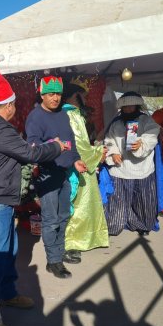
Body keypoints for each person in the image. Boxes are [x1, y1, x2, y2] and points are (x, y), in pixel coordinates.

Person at [0, 60, 65, 309]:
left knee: (8, 250)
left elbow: (21, 151)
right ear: (9, 105)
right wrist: (56, 146)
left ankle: (7, 294)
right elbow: (30, 154)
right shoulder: (0, 129)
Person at [26, 76, 87, 279]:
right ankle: (53, 261)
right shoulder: (35, 117)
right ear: (42, 94)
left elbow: (71, 142)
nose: (55, 98)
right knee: (51, 220)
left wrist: (75, 160)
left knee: (63, 217)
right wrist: (53, 147)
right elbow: (33, 148)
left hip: (63, 173)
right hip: (46, 174)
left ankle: (58, 254)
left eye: (58, 94)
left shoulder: (62, 114)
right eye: (51, 94)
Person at [61, 81, 109, 262]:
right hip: (78, 165)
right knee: (78, 203)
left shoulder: (67, 113)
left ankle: (77, 240)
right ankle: (73, 241)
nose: (87, 99)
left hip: (74, 163)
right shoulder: (72, 114)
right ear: (76, 96)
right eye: (84, 95)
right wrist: (97, 152)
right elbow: (79, 145)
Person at [103, 91, 160, 236]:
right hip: (121, 169)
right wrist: (114, 152)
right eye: (126, 107)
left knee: (144, 199)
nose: (128, 110)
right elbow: (109, 140)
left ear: (136, 106)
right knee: (118, 200)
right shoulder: (116, 123)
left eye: (131, 107)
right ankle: (115, 225)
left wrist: (142, 143)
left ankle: (143, 225)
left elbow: (153, 135)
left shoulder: (146, 120)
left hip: (143, 168)